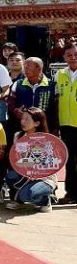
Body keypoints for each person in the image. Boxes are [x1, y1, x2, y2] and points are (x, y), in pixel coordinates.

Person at [5, 108, 57, 212]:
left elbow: (50, 162)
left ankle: (45, 200)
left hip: (43, 177)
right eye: (22, 118)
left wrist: (35, 168)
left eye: (27, 119)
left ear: (37, 123)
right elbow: (17, 158)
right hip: (24, 173)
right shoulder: (18, 136)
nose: (22, 122)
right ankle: (17, 200)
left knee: (28, 194)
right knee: (11, 175)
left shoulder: (47, 140)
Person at [8, 57, 56, 134]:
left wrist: (56, 128)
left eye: (28, 66)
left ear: (39, 69)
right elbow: (10, 102)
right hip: (23, 128)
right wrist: (15, 110)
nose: (25, 69)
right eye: (24, 66)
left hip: (45, 128)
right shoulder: (18, 84)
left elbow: (56, 108)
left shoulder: (52, 85)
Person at [54, 43, 77, 204]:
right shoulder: (60, 74)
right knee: (69, 161)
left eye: (75, 54)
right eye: (69, 55)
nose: (73, 57)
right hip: (66, 124)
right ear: (64, 58)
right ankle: (71, 193)